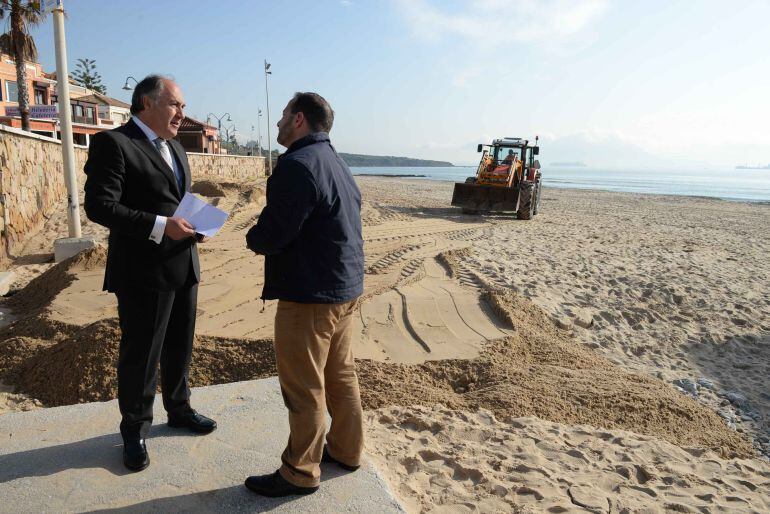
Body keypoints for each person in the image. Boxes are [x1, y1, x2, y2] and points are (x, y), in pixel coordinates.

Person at [84, 75, 216, 473]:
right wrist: (160, 226)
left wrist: (195, 225)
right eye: (175, 105)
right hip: (142, 271)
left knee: (180, 345)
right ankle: (135, 429)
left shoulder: (176, 147)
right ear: (146, 103)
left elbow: (175, 200)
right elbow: (100, 206)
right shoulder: (114, 143)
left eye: (183, 107)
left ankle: (179, 408)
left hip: (184, 262)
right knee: (141, 354)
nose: (182, 114)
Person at [244, 92, 365, 497]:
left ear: (299, 119)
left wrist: (253, 238)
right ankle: (347, 451)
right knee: (340, 375)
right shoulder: (337, 162)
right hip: (344, 289)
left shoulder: (297, 164)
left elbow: (276, 232)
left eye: (283, 115)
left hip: (311, 294)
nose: (278, 123)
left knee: (303, 387)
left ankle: (300, 471)